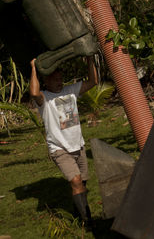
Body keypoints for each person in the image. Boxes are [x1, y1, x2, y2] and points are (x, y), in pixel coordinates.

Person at [29, 57, 98, 226]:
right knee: (76, 182)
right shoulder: (44, 99)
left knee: (82, 183)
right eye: (55, 79)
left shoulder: (71, 90)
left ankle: (77, 213)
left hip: (78, 146)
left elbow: (94, 81)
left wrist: (90, 60)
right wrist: (33, 67)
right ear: (46, 81)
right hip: (60, 149)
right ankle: (88, 222)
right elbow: (33, 93)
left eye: (61, 79)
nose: (60, 82)